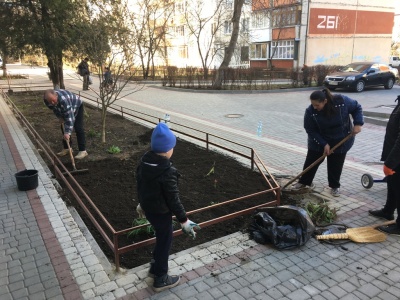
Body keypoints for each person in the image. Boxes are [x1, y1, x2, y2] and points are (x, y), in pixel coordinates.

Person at [136, 123, 200, 292]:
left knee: (161, 237)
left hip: (149, 209)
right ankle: (161, 278)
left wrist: (141, 203)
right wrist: (184, 220)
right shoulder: (167, 171)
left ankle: (154, 267)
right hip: (161, 212)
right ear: (166, 150)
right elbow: (173, 199)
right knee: (165, 241)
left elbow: (141, 185)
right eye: (172, 146)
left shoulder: (144, 162)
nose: (173, 150)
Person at [292, 88, 363, 197]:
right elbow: (310, 130)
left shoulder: (341, 102)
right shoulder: (311, 112)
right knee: (312, 161)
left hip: (341, 139)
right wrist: (324, 143)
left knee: (336, 163)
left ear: (325, 101)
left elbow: (357, 107)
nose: (315, 107)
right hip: (318, 141)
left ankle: (334, 186)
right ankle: (303, 182)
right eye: (313, 104)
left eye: (317, 105)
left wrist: (358, 123)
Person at [369, 95, 400, 235]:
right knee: (392, 184)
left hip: (397, 158)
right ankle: (388, 211)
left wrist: (390, 162)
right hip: (393, 154)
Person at [43, 89, 88, 160]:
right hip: (64, 109)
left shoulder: (64, 101)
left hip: (76, 105)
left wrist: (68, 133)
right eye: (50, 101)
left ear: (56, 95)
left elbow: (70, 118)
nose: (52, 102)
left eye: (53, 100)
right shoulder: (47, 100)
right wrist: (59, 117)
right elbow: (53, 108)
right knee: (63, 126)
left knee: (78, 128)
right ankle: (67, 148)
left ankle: (83, 151)